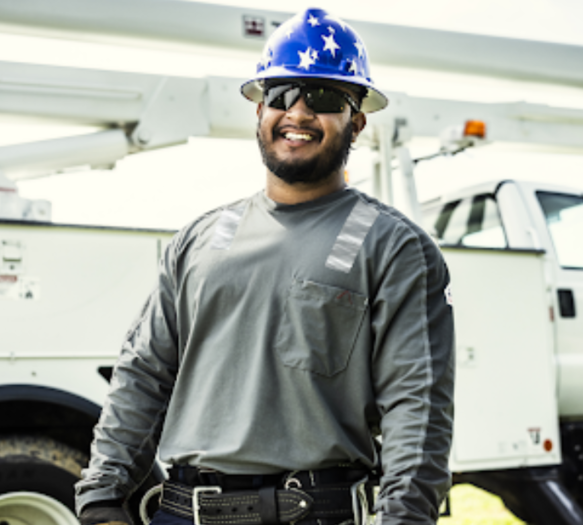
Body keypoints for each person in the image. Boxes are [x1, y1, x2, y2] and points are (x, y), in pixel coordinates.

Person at [75, 7, 454, 525]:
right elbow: (144, 372)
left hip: (314, 513)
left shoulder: (393, 247)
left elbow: (418, 411)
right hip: (182, 513)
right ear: (259, 113)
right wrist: (102, 493)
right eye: (280, 95)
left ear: (357, 122)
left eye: (322, 97)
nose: (297, 112)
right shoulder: (199, 239)